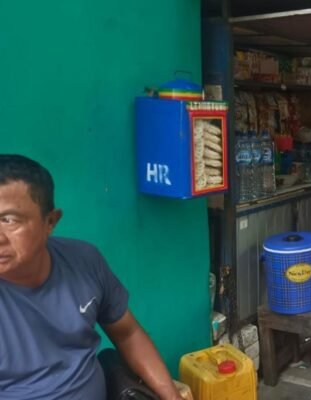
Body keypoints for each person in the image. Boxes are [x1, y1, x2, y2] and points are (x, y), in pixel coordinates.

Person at [0, 155, 182, 400]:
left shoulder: (83, 261)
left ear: (50, 221)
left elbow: (128, 334)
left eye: (9, 220)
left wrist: (172, 397)